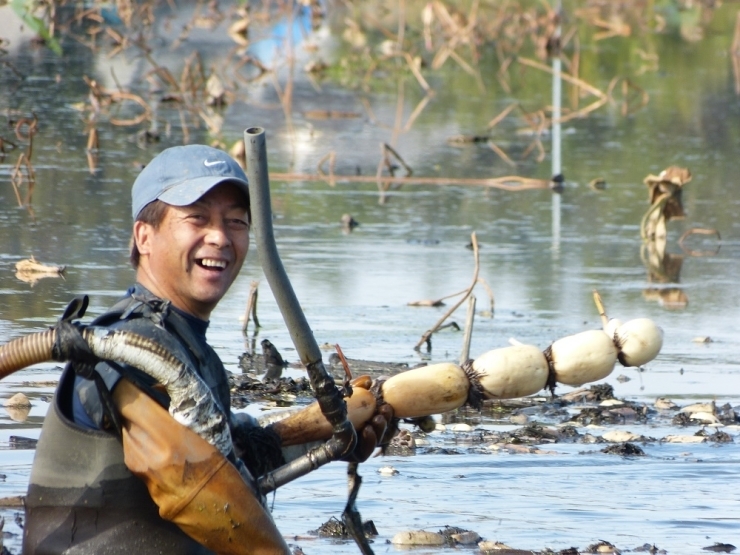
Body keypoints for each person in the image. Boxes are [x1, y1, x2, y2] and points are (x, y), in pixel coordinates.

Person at [23, 144, 392, 555]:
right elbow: (198, 488)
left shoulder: (190, 348)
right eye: (197, 218)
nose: (219, 236)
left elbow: (223, 459)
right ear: (144, 236)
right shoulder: (129, 349)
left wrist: (327, 442)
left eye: (236, 221)